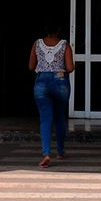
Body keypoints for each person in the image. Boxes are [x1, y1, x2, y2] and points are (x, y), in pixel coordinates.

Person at [28, 23, 74, 168]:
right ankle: (60, 152)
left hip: (41, 82)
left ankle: (46, 153)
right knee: (60, 117)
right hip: (60, 81)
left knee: (45, 119)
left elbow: (31, 66)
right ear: (59, 30)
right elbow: (70, 68)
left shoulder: (37, 44)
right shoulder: (64, 45)